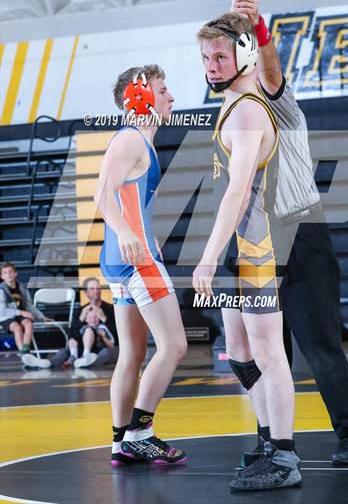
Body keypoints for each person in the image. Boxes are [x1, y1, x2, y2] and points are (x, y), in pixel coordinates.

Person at [221, 0, 348, 469]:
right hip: (260, 236)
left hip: (302, 231)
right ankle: (271, 437)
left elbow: (263, 60)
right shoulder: (238, 107)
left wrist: (259, 30)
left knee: (318, 344)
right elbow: (224, 39)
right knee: (259, 347)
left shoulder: (280, 105)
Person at [193, 7, 300, 496]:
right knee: (238, 351)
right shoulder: (235, 101)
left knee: (268, 354)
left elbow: (238, 193)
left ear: (242, 54)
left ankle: (284, 455)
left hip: (256, 247)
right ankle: (266, 439)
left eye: (219, 55)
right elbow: (238, 21)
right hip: (241, 247)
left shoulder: (250, 109)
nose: (210, 65)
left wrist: (210, 253)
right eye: (205, 57)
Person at [95, 64, 188, 466]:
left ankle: (119, 442)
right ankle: (141, 432)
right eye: (164, 91)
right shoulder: (131, 139)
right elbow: (103, 195)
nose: (171, 98)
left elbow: (132, 202)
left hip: (123, 258)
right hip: (135, 259)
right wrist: (132, 236)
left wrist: (140, 236)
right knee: (175, 345)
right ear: (142, 97)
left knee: (131, 352)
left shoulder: (139, 142)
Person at [0, 262, 51, 369]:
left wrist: (41, 316)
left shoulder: (22, 287)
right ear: (2, 276)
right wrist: (21, 312)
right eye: (5, 273)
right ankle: (24, 356)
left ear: (15, 274)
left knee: (28, 323)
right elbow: (2, 310)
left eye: (10, 272)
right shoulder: (1, 290)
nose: (8, 275)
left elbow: (29, 306)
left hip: (20, 314)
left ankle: (25, 350)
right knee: (17, 328)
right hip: (6, 316)